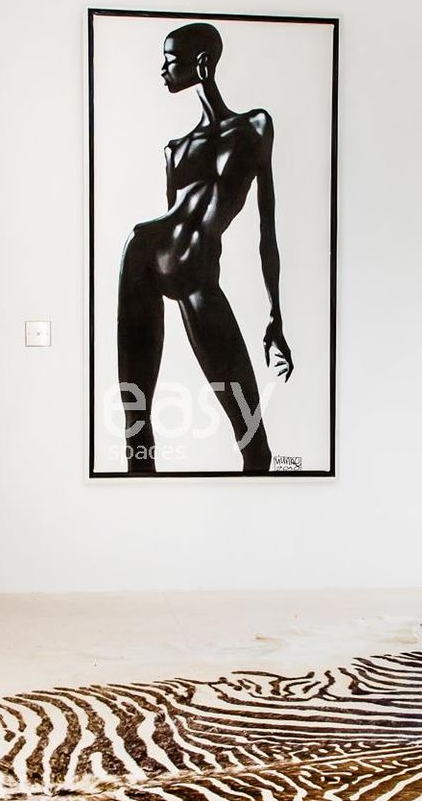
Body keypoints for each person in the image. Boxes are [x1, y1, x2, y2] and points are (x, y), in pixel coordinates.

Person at [116, 23, 292, 473]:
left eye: (170, 60)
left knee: (255, 445)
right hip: (144, 255)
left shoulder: (255, 127)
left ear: (201, 63)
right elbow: (176, 219)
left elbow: (266, 227)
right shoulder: (176, 149)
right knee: (137, 428)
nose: (163, 70)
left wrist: (275, 315)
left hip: (198, 277)